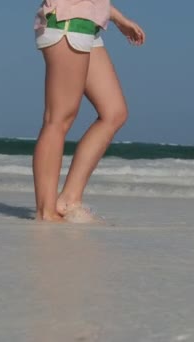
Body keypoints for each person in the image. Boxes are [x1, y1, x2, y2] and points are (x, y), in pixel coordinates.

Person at [32, 0, 145, 222]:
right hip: (67, 25)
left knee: (114, 112)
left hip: (87, 26)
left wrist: (118, 18)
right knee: (58, 119)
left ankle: (69, 200)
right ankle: (46, 211)